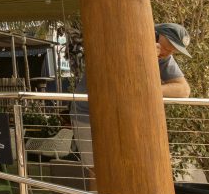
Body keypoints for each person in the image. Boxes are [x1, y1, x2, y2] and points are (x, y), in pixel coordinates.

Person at [73, 22, 192, 169]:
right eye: (168, 47)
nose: (168, 53)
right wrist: (146, 58)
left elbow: (184, 90)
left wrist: (148, 90)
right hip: (88, 114)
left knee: (126, 167)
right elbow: (121, 81)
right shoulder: (124, 43)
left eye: (174, 51)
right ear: (157, 35)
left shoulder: (162, 55)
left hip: (123, 116)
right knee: (96, 168)